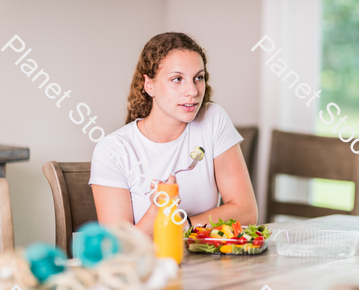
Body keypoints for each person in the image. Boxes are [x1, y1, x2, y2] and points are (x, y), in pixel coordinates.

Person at [89, 32, 258, 238]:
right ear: (149, 85)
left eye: (199, 77)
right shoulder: (112, 150)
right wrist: (156, 211)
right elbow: (118, 248)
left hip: (207, 264)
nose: (193, 91)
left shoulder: (213, 119)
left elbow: (246, 212)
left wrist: (182, 225)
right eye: (177, 79)